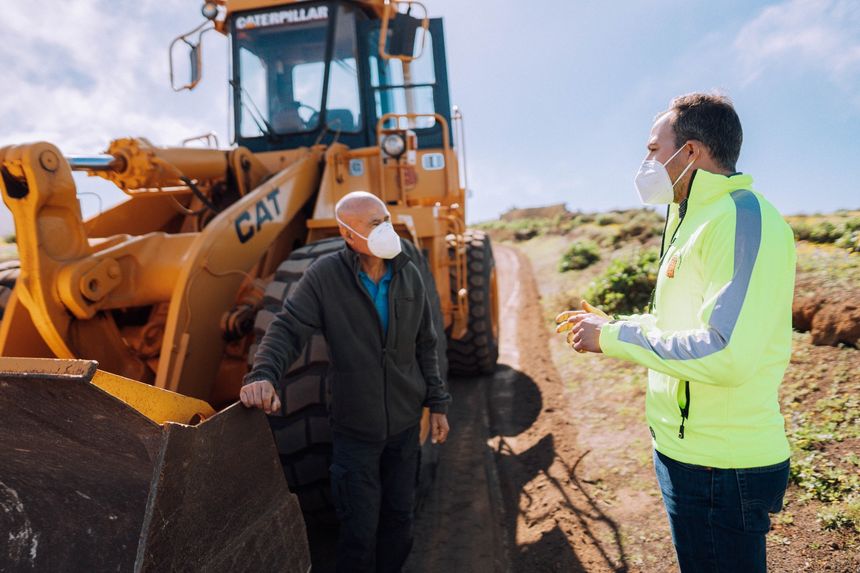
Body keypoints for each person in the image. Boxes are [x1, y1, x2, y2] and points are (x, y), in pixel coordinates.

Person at [557, 93, 796, 572]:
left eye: (652, 148)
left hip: (721, 468)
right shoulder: (692, 219)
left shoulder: (740, 218)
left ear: (689, 152)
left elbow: (724, 352)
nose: (645, 161)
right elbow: (678, 327)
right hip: (687, 454)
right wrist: (614, 325)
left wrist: (611, 338)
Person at [241, 191, 451, 573]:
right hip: (356, 434)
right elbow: (287, 328)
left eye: (386, 218)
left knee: (400, 522)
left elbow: (427, 342)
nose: (387, 228)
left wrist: (437, 404)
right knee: (358, 532)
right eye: (375, 223)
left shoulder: (409, 272)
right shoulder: (325, 277)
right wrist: (263, 374)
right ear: (348, 234)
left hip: (404, 430)